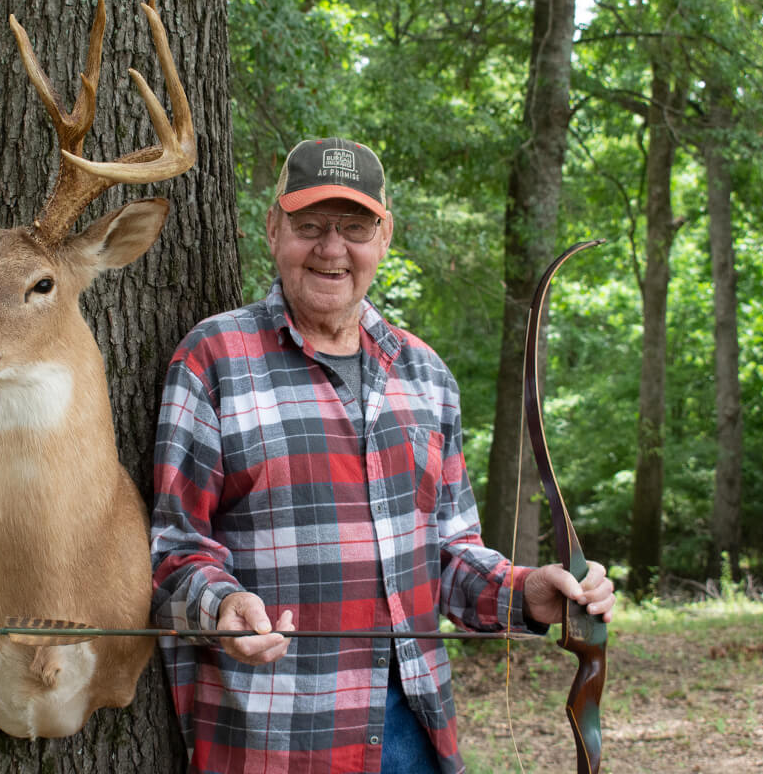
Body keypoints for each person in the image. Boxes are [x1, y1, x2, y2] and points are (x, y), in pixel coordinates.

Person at [150, 137, 616, 774]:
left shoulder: (426, 375)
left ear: (384, 234)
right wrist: (221, 606)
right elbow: (174, 552)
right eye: (309, 225)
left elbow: (449, 555)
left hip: (413, 732)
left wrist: (528, 592)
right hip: (276, 736)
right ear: (272, 228)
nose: (331, 248)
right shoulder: (213, 359)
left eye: (355, 227)